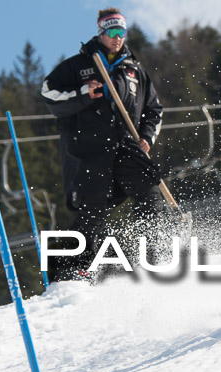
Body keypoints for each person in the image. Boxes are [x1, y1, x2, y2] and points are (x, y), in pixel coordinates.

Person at [41, 7, 164, 280]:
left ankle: (153, 256)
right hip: (89, 150)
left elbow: (154, 109)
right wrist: (84, 94)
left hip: (127, 146)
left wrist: (146, 137)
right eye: (112, 32)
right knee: (92, 210)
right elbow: (49, 94)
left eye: (122, 32)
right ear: (101, 32)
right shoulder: (77, 65)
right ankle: (73, 271)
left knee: (149, 192)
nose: (117, 37)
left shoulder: (134, 70)